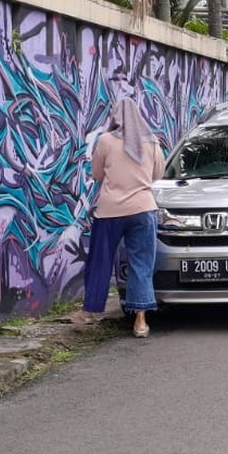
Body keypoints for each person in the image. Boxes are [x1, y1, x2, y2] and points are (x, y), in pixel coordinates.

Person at [82, 95, 165, 338]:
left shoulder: (105, 140)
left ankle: (91, 310)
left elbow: (96, 173)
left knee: (100, 260)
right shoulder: (151, 142)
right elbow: (157, 174)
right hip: (143, 209)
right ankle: (140, 322)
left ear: (116, 116)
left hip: (110, 212)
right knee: (141, 264)